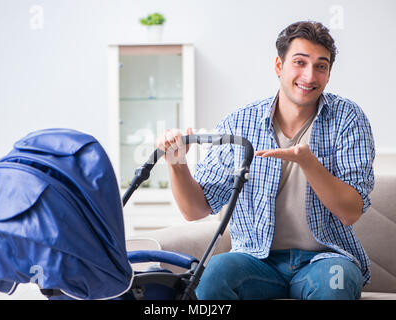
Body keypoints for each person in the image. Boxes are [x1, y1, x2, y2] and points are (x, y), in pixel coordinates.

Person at [155, 20, 375, 300]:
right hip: (256, 260)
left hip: (326, 258)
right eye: (299, 62)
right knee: (212, 277)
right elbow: (195, 209)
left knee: (336, 286)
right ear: (279, 66)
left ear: (328, 74)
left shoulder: (347, 119)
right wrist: (177, 163)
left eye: (321, 66)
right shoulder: (240, 122)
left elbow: (350, 211)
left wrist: (309, 163)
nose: (309, 75)